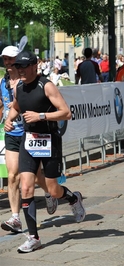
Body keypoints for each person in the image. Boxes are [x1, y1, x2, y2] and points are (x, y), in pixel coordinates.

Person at [5, 51, 86, 253]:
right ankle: (34, 237)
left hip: (49, 140)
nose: (20, 70)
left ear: (35, 66)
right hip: (29, 141)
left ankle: (73, 198)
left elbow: (66, 113)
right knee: (26, 188)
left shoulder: (46, 85)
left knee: (53, 190)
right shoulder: (20, 87)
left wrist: (41, 116)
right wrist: (9, 119)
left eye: (24, 67)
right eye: (18, 67)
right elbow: (16, 107)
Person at [0, 46, 58, 235]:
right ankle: (16, 218)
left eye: (11, 59)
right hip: (12, 134)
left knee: (38, 178)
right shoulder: (4, 81)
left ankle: (50, 193)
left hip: (33, 134)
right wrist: (7, 118)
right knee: (13, 175)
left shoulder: (31, 83)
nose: (8, 63)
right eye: (5, 59)